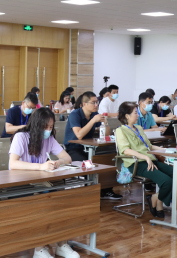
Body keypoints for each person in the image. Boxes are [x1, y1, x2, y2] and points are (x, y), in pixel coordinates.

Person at [8, 108, 79, 258]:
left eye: (50, 127)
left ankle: (61, 244)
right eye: (45, 126)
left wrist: (58, 162)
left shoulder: (49, 139)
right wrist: (40, 166)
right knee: (43, 203)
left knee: (61, 201)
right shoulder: (21, 137)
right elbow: (13, 163)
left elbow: (67, 158)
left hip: (40, 183)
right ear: (36, 124)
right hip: (20, 184)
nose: (48, 130)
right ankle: (39, 248)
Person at [115, 101, 173, 218]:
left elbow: (149, 146)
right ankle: (157, 201)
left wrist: (166, 150)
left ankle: (156, 198)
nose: (138, 115)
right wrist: (145, 157)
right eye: (135, 113)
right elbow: (126, 150)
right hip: (137, 163)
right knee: (166, 181)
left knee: (176, 174)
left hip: (150, 160)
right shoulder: (120, 131)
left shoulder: (139, 128)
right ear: (127, 116)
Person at [63, 91, 121, 200]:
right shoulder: (75, 115)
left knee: (107, 159)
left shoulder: (95, 114)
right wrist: (93, 121)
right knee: (89, 164)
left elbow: (107, 134)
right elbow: (79, 135)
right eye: (93, 103)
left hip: (89, 147)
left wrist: (105, 123)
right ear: (84, 104)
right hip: (73, 149)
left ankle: (106, 190)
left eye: (97, 102)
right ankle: (91, 193)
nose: (96, 105)